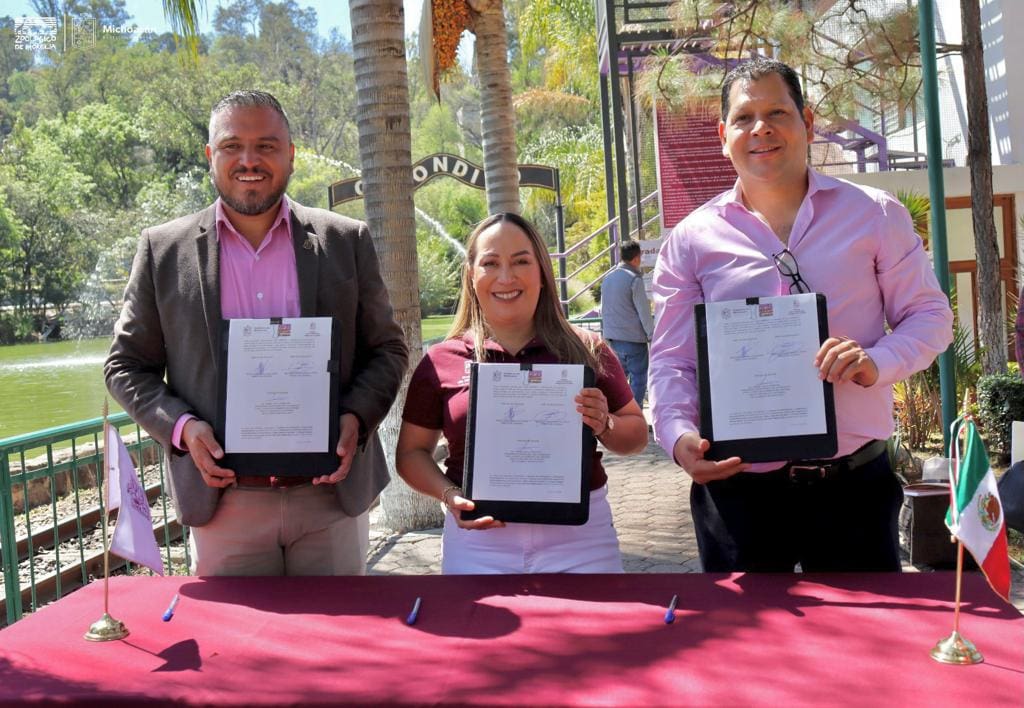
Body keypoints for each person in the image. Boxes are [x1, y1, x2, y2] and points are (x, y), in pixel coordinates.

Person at [649, 58, 954, 573]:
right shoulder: (690, 241)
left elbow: (929, 316)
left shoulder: (875, 214)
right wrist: (679, 437)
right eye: (744, 118)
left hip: (852, 489)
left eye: (777, 113)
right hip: (737, 492)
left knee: (863, 627)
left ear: (807, 123)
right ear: (723, 136)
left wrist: (875, 362)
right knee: (744, 627)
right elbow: (671, 361)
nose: (760, 129)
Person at [105, 90, 408, 576]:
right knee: (236, 630)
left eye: (266, 146)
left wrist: (357, 416)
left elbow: (388, 349)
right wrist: (182, 429)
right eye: (232, 146)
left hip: (330, 498)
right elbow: (124, 366)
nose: (249, 161)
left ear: (291, 154)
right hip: (225, 503)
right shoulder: (164, 250)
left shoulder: (345, 240)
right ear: (211, 155)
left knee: (338, 627)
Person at [396, 212, 648, 574]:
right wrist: (450, 495)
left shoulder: (587, 349)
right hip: (479, 542)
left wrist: (605, 422)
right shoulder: (442, 360)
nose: (506, 277)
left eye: (521, 261)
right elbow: (410, 454)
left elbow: (636, 436)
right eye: (490, 263)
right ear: (471, 275)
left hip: (580, 541)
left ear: (542, 272)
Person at [601, 240, 654, 406]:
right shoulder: (634, 280)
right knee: (638, 380)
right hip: (634, 340)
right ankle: (635, 413)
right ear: (636, 258)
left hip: (613, 340)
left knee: (619, 382)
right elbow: (644, 311)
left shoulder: (607, 279)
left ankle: (618, 413)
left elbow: (604, 309)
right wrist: (652, 335)